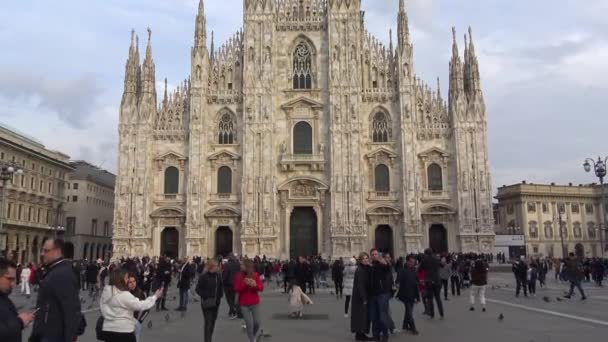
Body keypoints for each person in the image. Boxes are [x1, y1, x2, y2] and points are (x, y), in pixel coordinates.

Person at [30, 238, 82, 342]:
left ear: (57, 251)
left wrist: (70, 338)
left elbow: (70, 309)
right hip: (49, 332)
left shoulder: (61, 274)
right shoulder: (55, 270)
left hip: (54, 335)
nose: (42, 253)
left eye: (46, 250)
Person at [100, 268, 162, 342]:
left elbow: (103, 309)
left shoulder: (106, 292)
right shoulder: (124, 295)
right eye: (126, 278)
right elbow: (141, 305)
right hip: (123, 330)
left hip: (108, 329)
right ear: (120, 279)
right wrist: (155, 296)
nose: (127, 280)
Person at [0, 258, 35, 342]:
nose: (13, 284)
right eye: (9, 279)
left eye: (14, 279)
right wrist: (20, 322)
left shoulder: (4, 297)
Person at [234, 259, 264, 342]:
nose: (240, 266)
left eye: (242, 265)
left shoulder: (255, 275)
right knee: (249, 324)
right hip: (243, 304)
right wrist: (245, 284)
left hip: (254, 303)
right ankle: (252, 340)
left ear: (247, 266)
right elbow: (237, 288)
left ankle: (252, 335)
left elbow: (261, 288)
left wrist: (254, 285)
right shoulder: (238, 275)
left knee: (257, 322)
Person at [196, 260, 224, 342]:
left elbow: (220, 287)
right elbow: (198, 289)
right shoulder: (203, 276)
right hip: (206, 302)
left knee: (213, 322)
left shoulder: (218, 276)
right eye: (216, 266)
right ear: (211, 267)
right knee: (208, 322)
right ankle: (208, 340)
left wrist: (220, 296)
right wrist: (205, 296)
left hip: (216, 302)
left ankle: (209, 338)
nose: (218, 267)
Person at [396, 255, 420, 335]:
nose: (412, 263)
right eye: (410, 262)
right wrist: (397, 284)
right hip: (405, 294)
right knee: (409, 311)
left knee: (408, 311)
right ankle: (413, 328)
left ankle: (405, 325)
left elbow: (416, 282)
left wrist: (417, 295)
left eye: (413, 262)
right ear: (407, 262)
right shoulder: (402, 271)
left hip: (413, 294)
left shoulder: (414, 270)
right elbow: (398, 280)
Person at [351, 252, 372, 341]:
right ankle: (360, 335)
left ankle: (361, 334)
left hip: (362, 296)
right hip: (360, 297)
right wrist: (364, 298)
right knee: (361, 316)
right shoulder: (360, 270)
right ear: (360, 260)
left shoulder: (364, 268)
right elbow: (360, 285)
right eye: (364, 259)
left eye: (367, 258)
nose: (366, 260)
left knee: (362, 316)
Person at [420, 248, 444, 319]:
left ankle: (432, 314)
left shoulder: (424, 260)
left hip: (429, 281)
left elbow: (420, 269)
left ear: (426, 254)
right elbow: (442, 265)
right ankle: (441, 313)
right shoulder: (436, 259)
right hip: (437, 281)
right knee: (438, 298)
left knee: (430, 299)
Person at [222, 254, 240, 319]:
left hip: (228, 284)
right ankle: (232, 310)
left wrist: (223, 281)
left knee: (228, 297)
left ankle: (232, 309)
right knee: (234, 297)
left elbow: (225, 275)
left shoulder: (226, 265)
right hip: (236, 283)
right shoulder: (238, 264)